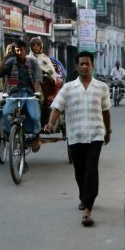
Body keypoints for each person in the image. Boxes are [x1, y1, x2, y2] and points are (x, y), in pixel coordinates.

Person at [44, 51, 111, 227]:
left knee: (91, 171)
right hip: (75, 135)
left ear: (92, 66)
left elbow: (105, 111)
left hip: (96, 134)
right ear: (76, 66)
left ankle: (87, 209)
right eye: (81, 64)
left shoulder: (102, 87)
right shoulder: (68, 88)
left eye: (87, 64)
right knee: (80, 171)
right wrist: (50, 123)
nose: (84, 66)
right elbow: (57, 107)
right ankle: (84, 197)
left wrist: (107, 131)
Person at [0, 39, 43, 150]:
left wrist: (37, 92)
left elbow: (37, 78)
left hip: (30, 93)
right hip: (14, 93)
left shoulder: (32, 62)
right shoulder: (11, 62)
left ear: (25, 50)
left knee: (35, 116)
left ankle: (36, 135)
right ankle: (10, 135)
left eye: (21, 50)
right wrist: (6, 57)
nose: (19, 52)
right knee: (6, 112)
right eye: (17, 50)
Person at [28, 36, 57, 119]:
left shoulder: (45, 58)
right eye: (33, 45)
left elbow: (51, 71)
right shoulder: (28, 58)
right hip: (31, 82)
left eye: (38, 45)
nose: (35, 47)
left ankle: (43, 119)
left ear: (41, 46)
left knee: (42, 98)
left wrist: (45, 75)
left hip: (45, 83)